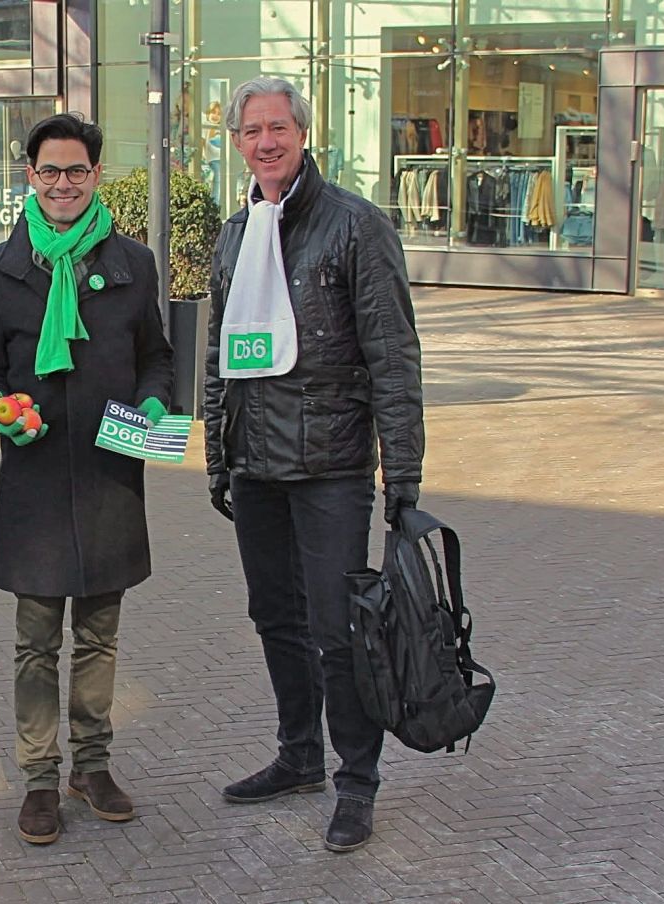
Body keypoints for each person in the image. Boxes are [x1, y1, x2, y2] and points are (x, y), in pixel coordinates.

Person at [203, 77, 425, 853]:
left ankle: (356, 782)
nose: (266, 142)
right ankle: (299, 756)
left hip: (330, 465)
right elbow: (219, 356)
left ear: (303, 131)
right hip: (257, 464)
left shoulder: (356, 227)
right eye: (251, 131)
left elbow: (393, 357)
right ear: (237, 143)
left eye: (278, 127)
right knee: (277, 620)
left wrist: (404, 477)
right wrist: (217, 456)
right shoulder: (235, 233)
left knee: (341, 632)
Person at [0, 113, 173, 845]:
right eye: (49, 171)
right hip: (35, 481)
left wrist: (154, 400)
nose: (62, 184)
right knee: (35, 640)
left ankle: (93, 763)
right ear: (29, 176)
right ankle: (41, 780)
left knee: (100, 636)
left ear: (95, 176)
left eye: (76, 171)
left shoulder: (132, 263)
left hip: (112, 473)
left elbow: (157, 355)